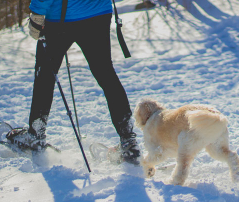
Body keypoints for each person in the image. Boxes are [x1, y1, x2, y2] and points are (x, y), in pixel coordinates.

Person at [8, 0, 140, 165]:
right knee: (106, 74)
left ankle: (36, 136)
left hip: (60, 17)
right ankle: (128, 141)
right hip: (98, 12)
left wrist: (37, 12)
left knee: (45, 77)